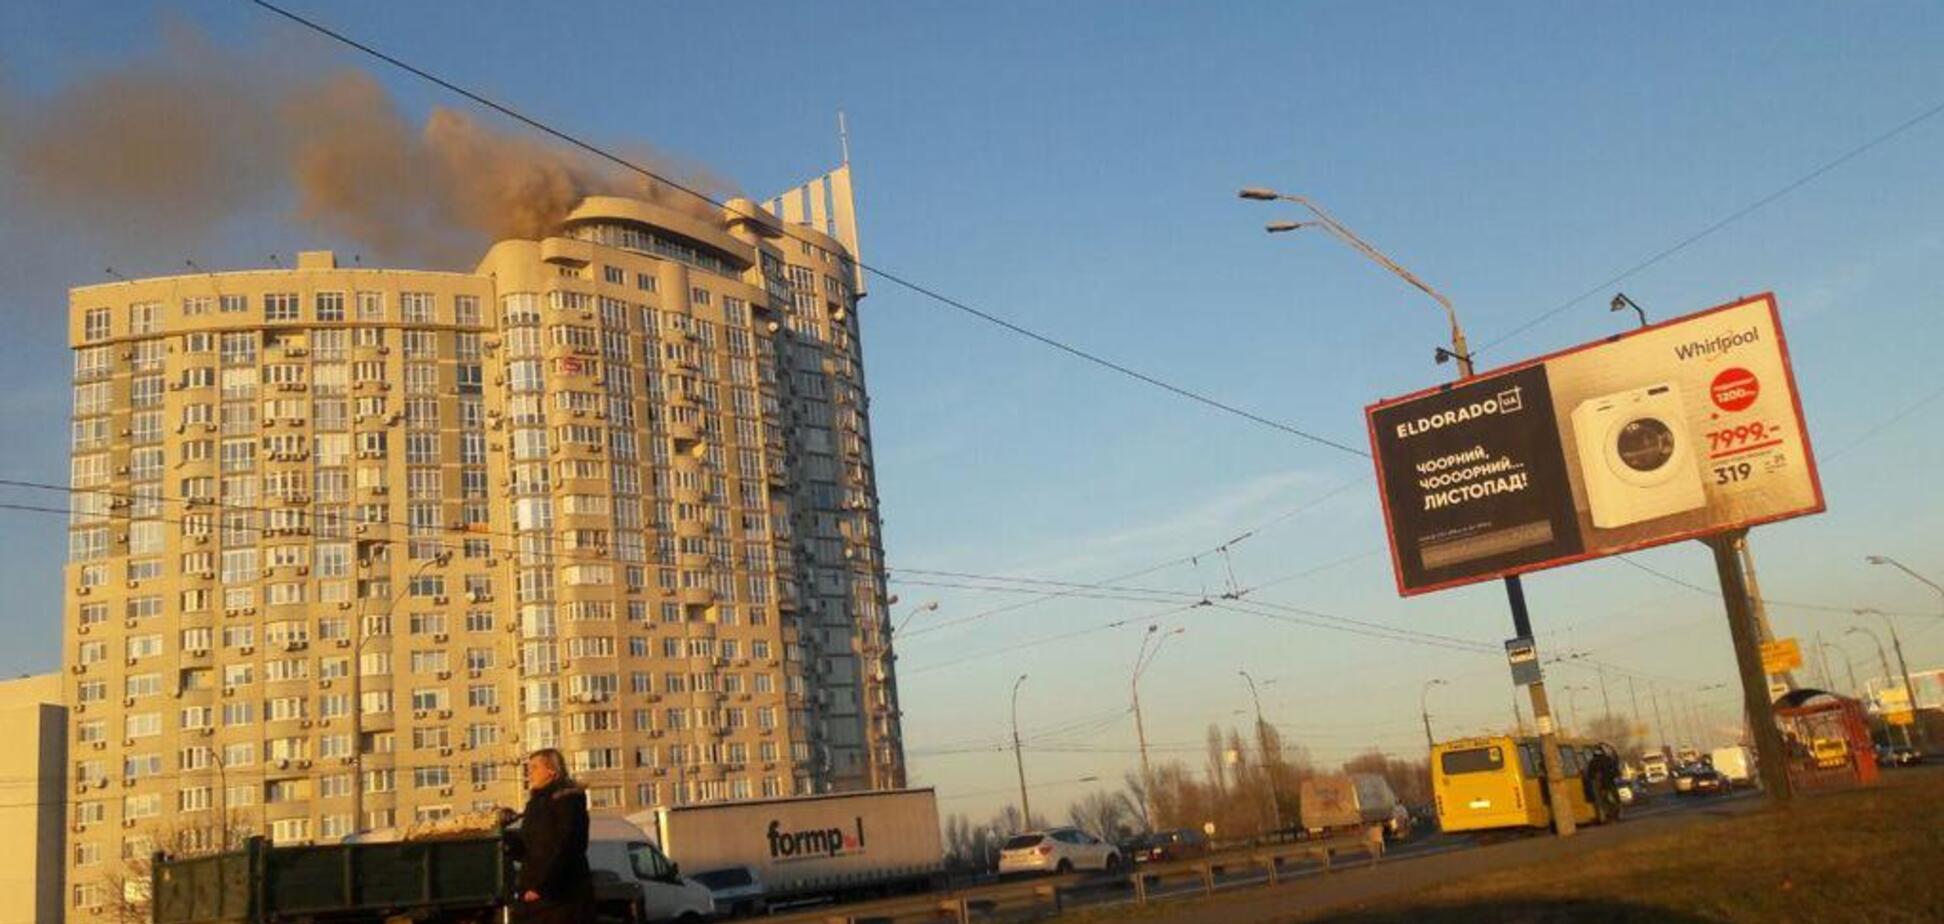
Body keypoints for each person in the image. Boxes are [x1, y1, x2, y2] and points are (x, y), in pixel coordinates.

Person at [514, 748, 594, 923]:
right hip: (535, 895)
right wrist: (510, 844)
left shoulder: (567, 800)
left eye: (534, 767)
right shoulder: (535, 803)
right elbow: (532, 846)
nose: (529, 773)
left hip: (561, 895)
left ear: (551, 771)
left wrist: (543, 887)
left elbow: (567, 845)